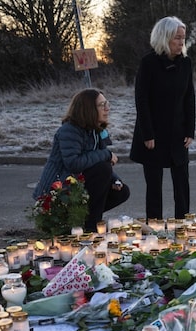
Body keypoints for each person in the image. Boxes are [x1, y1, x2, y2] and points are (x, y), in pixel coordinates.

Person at [34, 88, 130, 232]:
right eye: (102, 105)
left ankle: (81, 221)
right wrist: (106, 154)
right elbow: (74, 163)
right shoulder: (69, 130)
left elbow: (98, 160)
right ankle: (89, 226)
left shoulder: (96, 131)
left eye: (107, 103)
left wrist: (115, 180)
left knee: (121, 191)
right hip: (57, 193)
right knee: (102, 169)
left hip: (76, 185)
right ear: (88, 109)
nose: (107, 108)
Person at [130, 16, 196, 221]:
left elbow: (190, 98)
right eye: (177, 38)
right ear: (164, 37)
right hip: (153, 135)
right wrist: (147, 133)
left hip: (178, 133)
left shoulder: (186, 62)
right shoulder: (148, 63)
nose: (181, 42)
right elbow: (141, 100)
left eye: (183, 38)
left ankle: (183, 226)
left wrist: (190, 131)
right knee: (154, 186)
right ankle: (154, 228)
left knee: (182, 184)